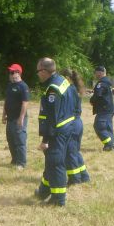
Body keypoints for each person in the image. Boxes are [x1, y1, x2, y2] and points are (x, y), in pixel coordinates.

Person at [35, 57, 76, 207]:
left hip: (57, 131)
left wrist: (45, 140)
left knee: (55, 163)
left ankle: (58, 199)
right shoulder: (62, 81)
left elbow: (52, 117)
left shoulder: (53, 88)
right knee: (51, 162)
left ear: (45, 71)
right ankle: (44, 191)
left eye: (38, 71)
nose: (37, 74)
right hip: (67, 126)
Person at [62, 68, 90, 185]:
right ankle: (84, 175)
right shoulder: (74, 89)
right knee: (75, 151)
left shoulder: (68, 90)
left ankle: (75, 179)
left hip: (72, 123)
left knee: (70, 153)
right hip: (77, 123)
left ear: (67, 78)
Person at [2, 63, 29, 169]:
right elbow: (6, 101)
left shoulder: (23, 86)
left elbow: (25, 103)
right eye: (10, 72)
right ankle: (14, 160)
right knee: (10, 139)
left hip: (19, 118)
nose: (10, 74)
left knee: (20, 140)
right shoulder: (9, 86)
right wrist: (3, 115)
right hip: (10, 118)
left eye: (13, 72)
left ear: (18, 73)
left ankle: (21, 163)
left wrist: (21, 118)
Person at [90, 65, 114, 151]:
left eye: (96, 72)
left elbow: (98, 95)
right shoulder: (107, 81)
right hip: (109, 108)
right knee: (108, 127)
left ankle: (108, 144)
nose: (95, 74)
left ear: (100, 72)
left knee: (98, 126)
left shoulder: (101, 83)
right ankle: (112, 144)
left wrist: (92, 100)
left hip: (104, 109)